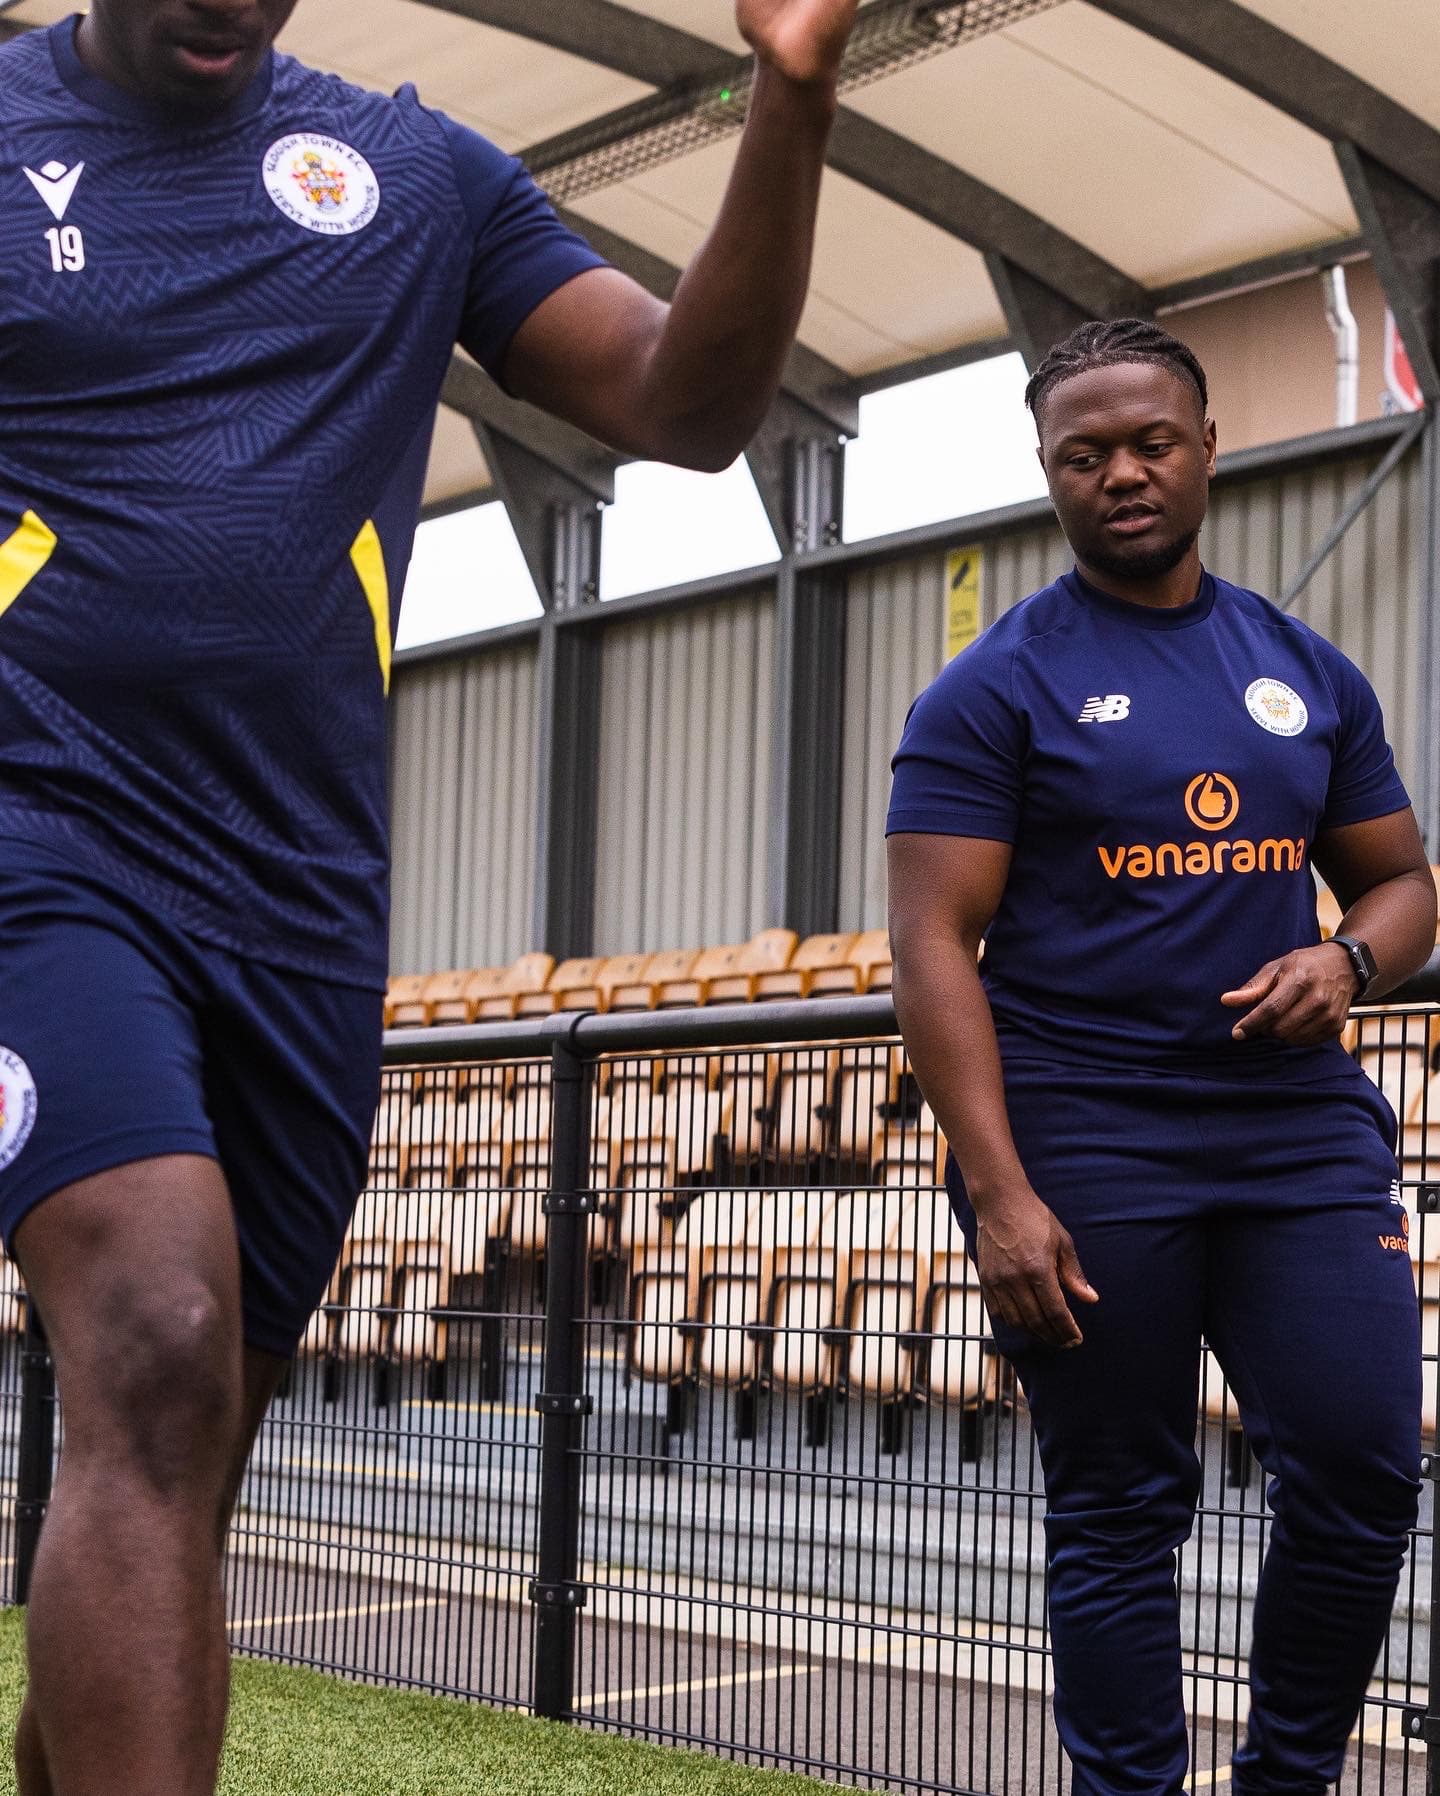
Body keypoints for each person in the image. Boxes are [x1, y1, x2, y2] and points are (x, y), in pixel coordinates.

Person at [0, 1, 859, 1790]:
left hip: (297, 900)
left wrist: (788, 92)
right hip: (38, 833)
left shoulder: (415, 173)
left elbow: (688, 407)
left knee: (180, 1449)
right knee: (156, 1346)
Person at [887, 319, 1436, 1796]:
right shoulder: (993, 688)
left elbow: (1404, 883)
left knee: (1367, 1465)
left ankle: (1288, 1780)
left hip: (1296, 1132)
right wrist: (998, 1192)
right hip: (1084, 1133)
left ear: (1206, 448)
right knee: (1122, 1504)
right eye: (1086, 453)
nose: (1121, 472)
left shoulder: (1304, 669)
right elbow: (932, 944)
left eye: (1149, 443)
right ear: (1049, 474)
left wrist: (1349, 959)